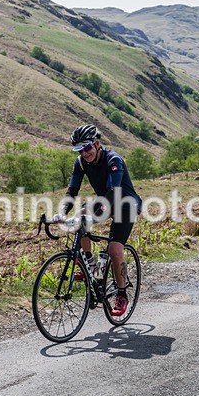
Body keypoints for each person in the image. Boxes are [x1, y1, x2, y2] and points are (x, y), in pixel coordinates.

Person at [53, 124, 142, 316]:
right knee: (81, 214)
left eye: (87, 148)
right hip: (105, 202)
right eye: (79, 150)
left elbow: (113, 191)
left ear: (97, 144)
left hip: (125, 204)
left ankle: (121, 292)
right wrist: (61, 213)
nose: (84, 153)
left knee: (115, 249)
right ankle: (90, 267)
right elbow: (72, 190)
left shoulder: (113, 160)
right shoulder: (81, 162)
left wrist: (98, 212)